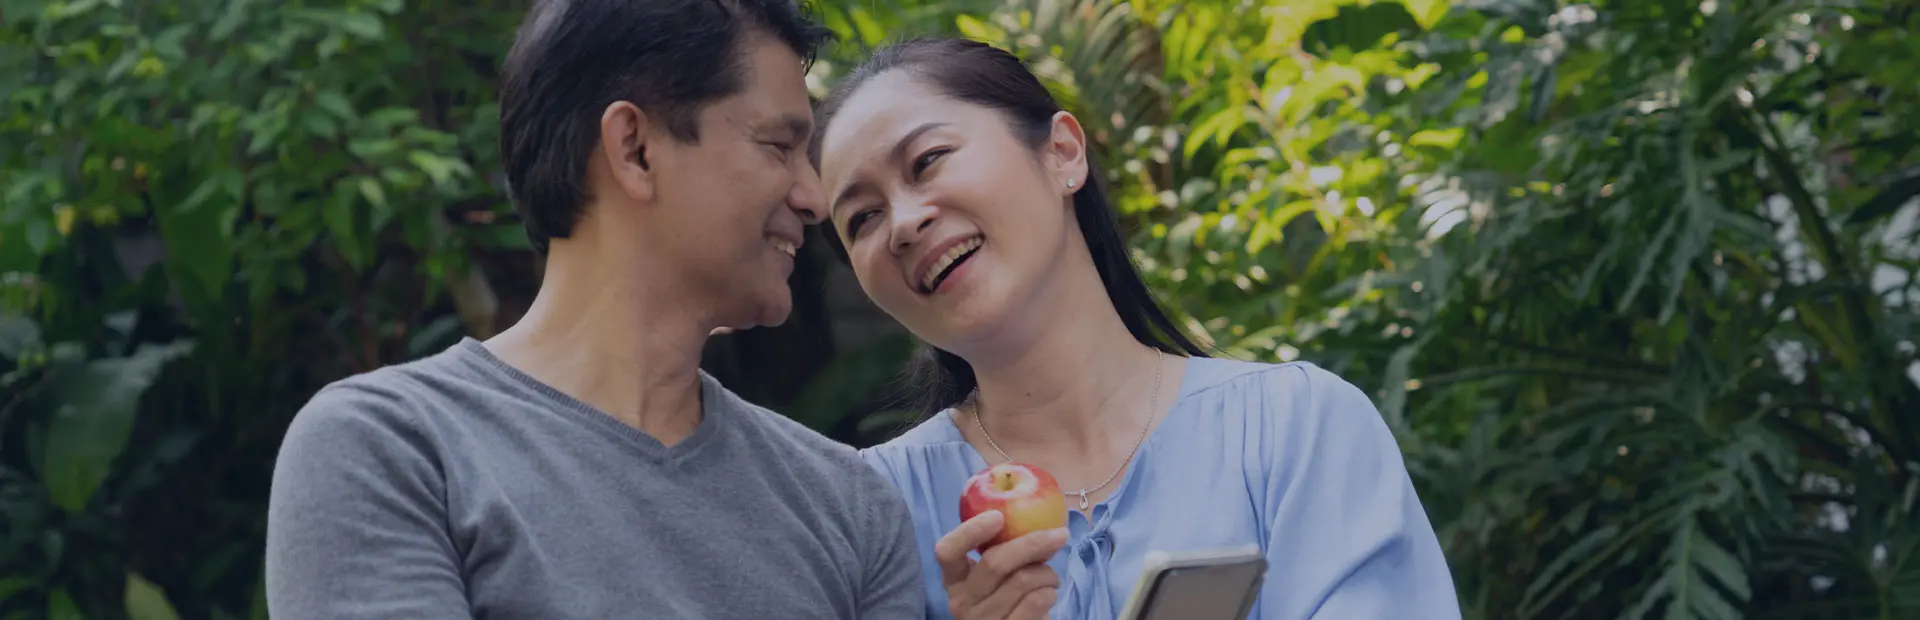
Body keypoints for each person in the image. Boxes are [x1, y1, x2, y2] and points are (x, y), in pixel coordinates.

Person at [263, 1, 926, 617]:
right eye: (779, 147)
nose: (814, 199)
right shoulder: (391, 449)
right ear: (635, 149)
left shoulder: (851, 507)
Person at [810, 37, 1462, 620]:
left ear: (1062, 152)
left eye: (928, 161)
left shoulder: (1299, 428)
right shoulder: (864, 516)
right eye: (862, 218)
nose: (902, 223)